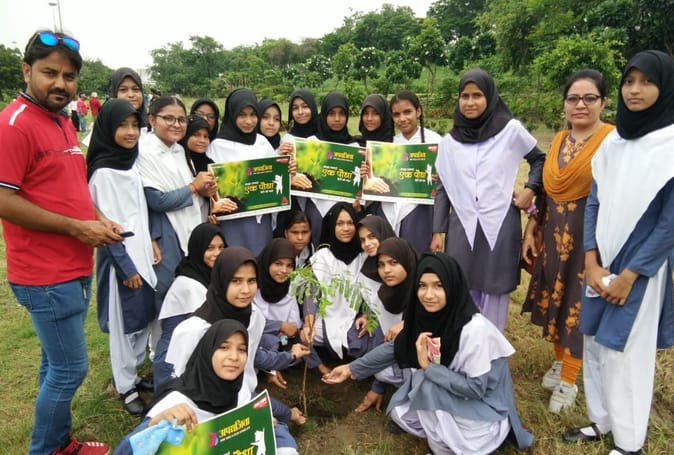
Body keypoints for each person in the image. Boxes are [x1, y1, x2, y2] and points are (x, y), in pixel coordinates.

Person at [0, 29, 122, 455]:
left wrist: (97, 219)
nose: (60, 84)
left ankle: (60, 444)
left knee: (55, 365)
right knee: (71, 369)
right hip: (44, 273)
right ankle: (45, 450)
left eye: (69, 77)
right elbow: (3, 199)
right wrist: (77, 229)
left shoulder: (62, 121)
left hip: (73, 266)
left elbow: (69, 187)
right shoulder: (14, 125)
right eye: (49, 73)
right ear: (26, 71)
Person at [562, 50, 674, 455]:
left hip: (639, 268)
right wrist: (591, 259)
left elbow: (669, 224)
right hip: (601, 261)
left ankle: (629, 443)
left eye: (647, 82)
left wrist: (630, 275)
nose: (635, 90)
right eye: (629, 81)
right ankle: (602, 421)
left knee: (625, 352)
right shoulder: (614, 142)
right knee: (593, 341)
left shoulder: (670, 144)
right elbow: (595, 200)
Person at [323, 252, 533, 454]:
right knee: (400, 411)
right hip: (453, 392)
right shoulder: (425, 316)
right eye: (422, 286)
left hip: (483, 410)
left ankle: (457, 445)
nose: (428, 295)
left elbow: (476, 389)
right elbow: (395, 348)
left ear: (452, 286)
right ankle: (444, 431)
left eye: (438, 286)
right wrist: (350, 368)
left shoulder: (474, 330)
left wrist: (429, 368)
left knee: (425, 383)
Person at [521, 69, 614, 413]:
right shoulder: (559, 140)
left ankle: (569, 380)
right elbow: (545, 192)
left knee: (577, 304)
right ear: (564, 104)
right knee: (554, 300)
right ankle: (561, 361)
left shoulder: (612, 141)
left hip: (589, 241)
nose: (580, 105)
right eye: (573, 98)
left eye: (589, 98)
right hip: (552, 236)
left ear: (603, 102)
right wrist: (532, 227)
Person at [432, 68, 545, 332]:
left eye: (477, 95)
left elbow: (539, 159)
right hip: (462, 226)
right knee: (461, 286)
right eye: (465, 96)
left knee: (495, 288)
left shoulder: (510, 130)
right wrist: (438, 231)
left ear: (490, 97)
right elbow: (443, 187)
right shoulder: (449, 142)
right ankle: (464, 348)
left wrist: (531, 188)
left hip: (500, 223)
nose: (470, 102)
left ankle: (492, 351)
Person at [165, 247, 302, 453]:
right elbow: (177, 381)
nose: (245, 290)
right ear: (221, 280)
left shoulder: (254, 316)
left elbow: (254, 356)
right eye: (236, 281)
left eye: (251, 281)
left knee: (286, 447)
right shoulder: (194, 330)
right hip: (202, 415)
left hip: (244, 398)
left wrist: (286, 359)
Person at [87, 99, 158, 416]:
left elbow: (139, 213)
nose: (131, 132)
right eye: (122, 125)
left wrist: (151, 242)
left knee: (143, 319)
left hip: (142, 254)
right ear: (106, 129)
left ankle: (134, 374)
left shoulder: (130, 163)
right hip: (122, 262)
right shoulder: (103, 172)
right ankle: (125, 386)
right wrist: (126, 268)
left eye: (134, 125)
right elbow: (108, 227)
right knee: (123, 326)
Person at [134, 96, 216, 325]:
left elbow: (192, 192)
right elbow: (157, 200)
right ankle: (163, 342)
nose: (176, 124)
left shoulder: (179, 150)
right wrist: (194, 187)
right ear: (152, 120)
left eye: (181, 119)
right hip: (166, 233)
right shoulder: (144, 151)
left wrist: (205, 192)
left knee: (188, 293)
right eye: (168, 118)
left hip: (189, 230)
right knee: (167, 295)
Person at [367, 90, 442, 255]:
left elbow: (445, 189)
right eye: (396, 114)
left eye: (407, 112)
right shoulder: (389, 144)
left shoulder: (436, 142)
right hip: (389, 210)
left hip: (420, 213)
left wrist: (437, 232)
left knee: (417, 256)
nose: (402, 119)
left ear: (418, 111)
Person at [153, 222, 225, 388]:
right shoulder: (189, 284)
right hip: (174, 361)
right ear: (198, 249)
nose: (217, 253)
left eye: (221, 247)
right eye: (210, 248)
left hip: (191, 350)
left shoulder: (206, 272)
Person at [207, 88, 277, 255]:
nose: (248, 121)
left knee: (260, 259)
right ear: (232, 115)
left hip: (261, 220)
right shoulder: (217, 147)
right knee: (235, 259)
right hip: (232, 221)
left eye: (253, 115)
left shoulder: (262, 143)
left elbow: (275, 176)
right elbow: (211, 188)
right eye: (242, 115)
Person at [302, 202, 366, 375]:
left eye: (350, 223)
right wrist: (309, 324)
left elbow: (373, 293)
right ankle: (320, 362)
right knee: (303, 335)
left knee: (367, 334)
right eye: (339, 223)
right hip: (325, 318)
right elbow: (312, 294)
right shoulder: (321, 257)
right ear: (331, 226)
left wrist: (366, 315)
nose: (346, 228)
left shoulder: (365, 255)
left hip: (356, 319)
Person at [254, 238, 311, 389]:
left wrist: (295, 331)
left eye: (289, 265)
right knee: (269, 340)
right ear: (267, 262)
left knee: (301, 346)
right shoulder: (253, 285)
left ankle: (280, 363)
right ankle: (271, 371)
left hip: (283, 337)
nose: (284, 270)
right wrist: (279, 325)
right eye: (278, 264)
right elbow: (250, 321)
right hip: (259, 337)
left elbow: (294, 325)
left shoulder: (289, 284)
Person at [179, 115, 213, 220]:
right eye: (196, 135)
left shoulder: (211, 166)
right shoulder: (178, 162)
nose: (202, 140)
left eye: (206, 136)